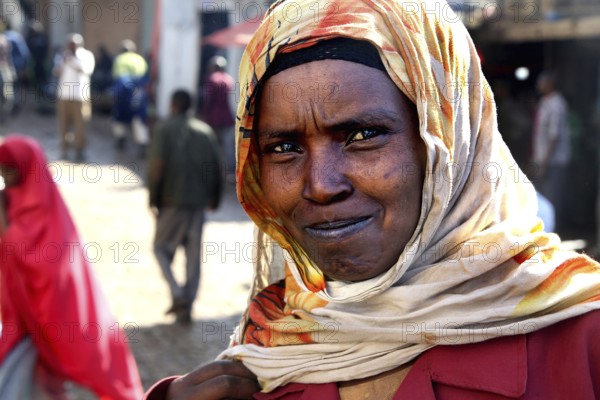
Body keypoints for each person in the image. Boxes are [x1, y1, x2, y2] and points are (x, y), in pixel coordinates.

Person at [145, 0, 600, 398]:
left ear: (447, 145)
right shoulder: (270, 347)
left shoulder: (582, 342)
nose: (320, 185)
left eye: (364, 136)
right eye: (283, 148)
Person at [0, 135, 143, 399]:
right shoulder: (10, 198)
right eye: (2, 171)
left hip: (53, 303)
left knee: (83, 354)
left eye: (9, 169)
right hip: (22, 310)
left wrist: (7, 229)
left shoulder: (40, 205)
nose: (5, 176)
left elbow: (42, 261)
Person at [147, 89, 223, 324]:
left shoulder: (165, 129)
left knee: (160, 248)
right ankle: (186, 306)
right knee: (193, 258)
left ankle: (177, 293)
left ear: (172, 105)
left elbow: (157, 165)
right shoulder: (205, 132)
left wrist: (153, 198)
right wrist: (214, 198)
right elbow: (217, 168)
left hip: (171, 202)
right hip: (198, 205)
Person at [531, 71, 571, 231]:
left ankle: (554, 232)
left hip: (554, 161)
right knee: (543, 199)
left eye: (541, 82)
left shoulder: (557, 103)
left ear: (549, 84)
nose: (538, 85)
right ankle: (544, 231)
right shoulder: (544, 102)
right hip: (543, 160)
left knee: (553, 198)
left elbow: (554, 136)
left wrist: (544, 163)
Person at [53, 33, 95, 162]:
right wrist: (63, 63)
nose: (70, 46)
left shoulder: (86, 55)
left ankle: (80, 149)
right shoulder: (62, 56)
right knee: (63, 124)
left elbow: (86, 70)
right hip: (64, 96)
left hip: (80, 96)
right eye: (69, 43)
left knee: (80, 125)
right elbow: (56, 72)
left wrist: (72, 61)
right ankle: (64, 148)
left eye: (73, 44)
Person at [200, 55, 236, 181]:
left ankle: (209, 170)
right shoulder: (229, 79)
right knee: (228, 146)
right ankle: (231, 172)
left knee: (211, 143)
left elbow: (208, 100)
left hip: (213, 118)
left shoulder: (211, 79)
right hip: (227, 117)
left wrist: (204, 113)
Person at [112, 39, 149, 155]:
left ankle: (120, 140)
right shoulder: (140, 59)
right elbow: (145, 76)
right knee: (139, 118)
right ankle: (142, 143)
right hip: (138, 92)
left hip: (122, 92)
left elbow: (115, 76)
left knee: (119, 117)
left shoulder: (119, 59)